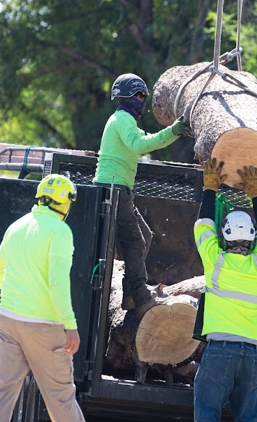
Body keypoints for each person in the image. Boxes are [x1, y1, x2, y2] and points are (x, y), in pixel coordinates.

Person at [0, 174, 85, 422]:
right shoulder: (60, 231)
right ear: (64, 201)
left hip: (8, 318)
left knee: (3, 394)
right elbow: (57, 282)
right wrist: (70, 325)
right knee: (61, 398)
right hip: (44, 326)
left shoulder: (17, 226)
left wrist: (20, 296)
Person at [93, 73, 192, 317]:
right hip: (113, 189)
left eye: (142, 96)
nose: (141, 100)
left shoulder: (122, 119)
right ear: (127, 97)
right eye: (138, 95)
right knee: (136, 242)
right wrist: (174, 131)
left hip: (119, 190)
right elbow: (140, 145)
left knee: (144, 236)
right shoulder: (123, 119)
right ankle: (138, 294)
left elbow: (141, 142)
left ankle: (130, 293)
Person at [193, 159, 257, 422]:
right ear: (252, 238)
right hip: (252, 356)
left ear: (224, 235)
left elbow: (203, 225)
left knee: (207, 414)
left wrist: (210, 188)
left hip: (219, 351)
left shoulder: (215, 261)